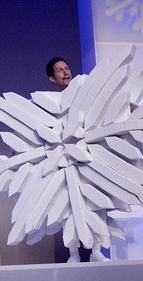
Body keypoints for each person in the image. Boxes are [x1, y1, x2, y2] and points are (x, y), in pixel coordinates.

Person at [45, 56, 110, 263]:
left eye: (67, 67)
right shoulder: (50, 103)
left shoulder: (85, 97)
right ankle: (73, 254)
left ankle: (96, 251)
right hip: (65, 160)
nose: (65, 72)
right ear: (52, 78)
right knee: (67, 206)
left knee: (97, 201)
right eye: (59, 70)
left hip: (88, 155)